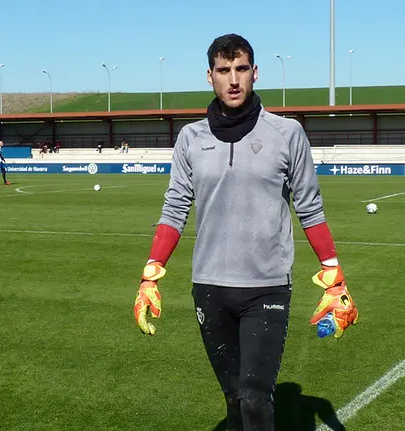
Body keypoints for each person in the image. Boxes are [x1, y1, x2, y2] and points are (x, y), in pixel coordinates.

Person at [132, 33, 359, 431]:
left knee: (255, 399)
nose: (233, 79)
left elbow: (310, 207)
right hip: (210, 287)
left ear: (255, 73)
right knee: (236, 402)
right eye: (223, 71)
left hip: (267, 287)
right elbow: (174, 209)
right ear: (210, 76)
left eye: (240, 69)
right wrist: (150, 273)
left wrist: (334, 277)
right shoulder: (190, 138)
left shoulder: (288, 134)